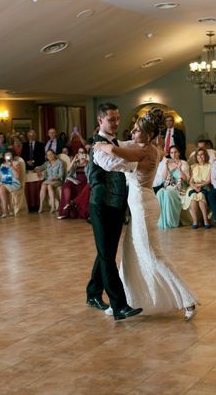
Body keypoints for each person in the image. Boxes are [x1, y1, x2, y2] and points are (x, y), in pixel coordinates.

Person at [93, 107, 198, 320]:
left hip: (143, 205)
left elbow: (114, 151)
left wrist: (99, 144)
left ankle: (188, 300)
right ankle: (123, 301)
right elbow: (122, 145)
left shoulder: (144, 151)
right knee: (130, 252)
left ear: (148, 135)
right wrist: (107, 142)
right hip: (141, 204)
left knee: (153, 254)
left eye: (137, 130)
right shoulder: (148, 146)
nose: (132, 132)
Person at [85, 102, 143, 321]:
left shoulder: (115, 143)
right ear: (100, 120)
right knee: (107, 256)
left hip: (116, 205)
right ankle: (119, 306)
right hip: (100, 206)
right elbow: (112, 164)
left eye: (118, 118)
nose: (116, 122)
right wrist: (138, 162)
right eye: (111, 119)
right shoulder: (98, 146)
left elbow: (132, 145)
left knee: (106, 252)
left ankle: (92, 293)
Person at [156, 146, 190, 229]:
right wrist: (166, 167)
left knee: (168, 192)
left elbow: (186, 179)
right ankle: (163, 221)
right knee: (160, 192)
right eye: (171, 153)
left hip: (180, 187)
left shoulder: (184, 163)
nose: (173, 154)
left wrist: (179, 169)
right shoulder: (168, 163)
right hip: (169, 186)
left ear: (179, 153)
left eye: (175, 152)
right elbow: (164, 178)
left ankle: (172, 222)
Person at [58, 146, 89, 219]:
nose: (81, 154)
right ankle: (67, 204)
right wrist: (74, 160)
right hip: (75, 181)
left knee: (83, 188)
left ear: (85, 154)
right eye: (79, 152)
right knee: (66, 184)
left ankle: (71, 204)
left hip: (85, 182)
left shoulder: (88, 163)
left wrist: (88, 160)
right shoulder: (76, 163)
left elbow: (90, 173)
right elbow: (68, 170)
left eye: (82, 152)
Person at [0, 149, 21, 218]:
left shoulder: (16, 163)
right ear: (4, 157)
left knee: (0, 189)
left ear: (12, 156)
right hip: (4, 182)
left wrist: (11, 166)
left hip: (13, 183)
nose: (8, 157)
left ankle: (5, 211)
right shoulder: (3, 165)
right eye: (6, 156)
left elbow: (17, 176)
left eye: (9, 155)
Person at [187, 148, 212, 229]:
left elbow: (208, 180)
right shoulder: (193, 166)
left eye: (202, 154)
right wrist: (194, 186)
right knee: (193, 196)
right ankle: (195, 221)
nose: (200, 156)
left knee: (201, 195)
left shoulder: (210, 166)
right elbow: (190, 181)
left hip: (205, 186)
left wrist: (200, 185)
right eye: (198, 155)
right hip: (194, 186)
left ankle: (205, 220)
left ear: (205, 156)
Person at [35, 149, 66, 214]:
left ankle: (53, 207)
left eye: (51, 154)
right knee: (43, 185)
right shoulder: (46, 163)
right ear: (46, 156)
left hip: (57, 180)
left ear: (54, 154)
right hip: (48, 180)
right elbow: (39, 168)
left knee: (49, 186)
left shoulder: (59, 163)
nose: (50, 156)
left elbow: (61, 175)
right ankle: (41, 206)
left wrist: (55, 178)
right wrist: (38, 171)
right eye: (48, 155)